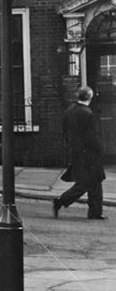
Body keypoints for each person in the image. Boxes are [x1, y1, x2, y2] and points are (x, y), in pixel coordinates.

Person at [53, 85, 106, 220]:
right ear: (89, 97)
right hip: (89, 153)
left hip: (77, 151)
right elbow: (92, 136)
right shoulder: (88, 113)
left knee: (94, 181)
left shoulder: (69, 111)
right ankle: (61, 200)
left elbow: (64, 132)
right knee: (87, 182)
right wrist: (100, 150)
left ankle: (95, 212)